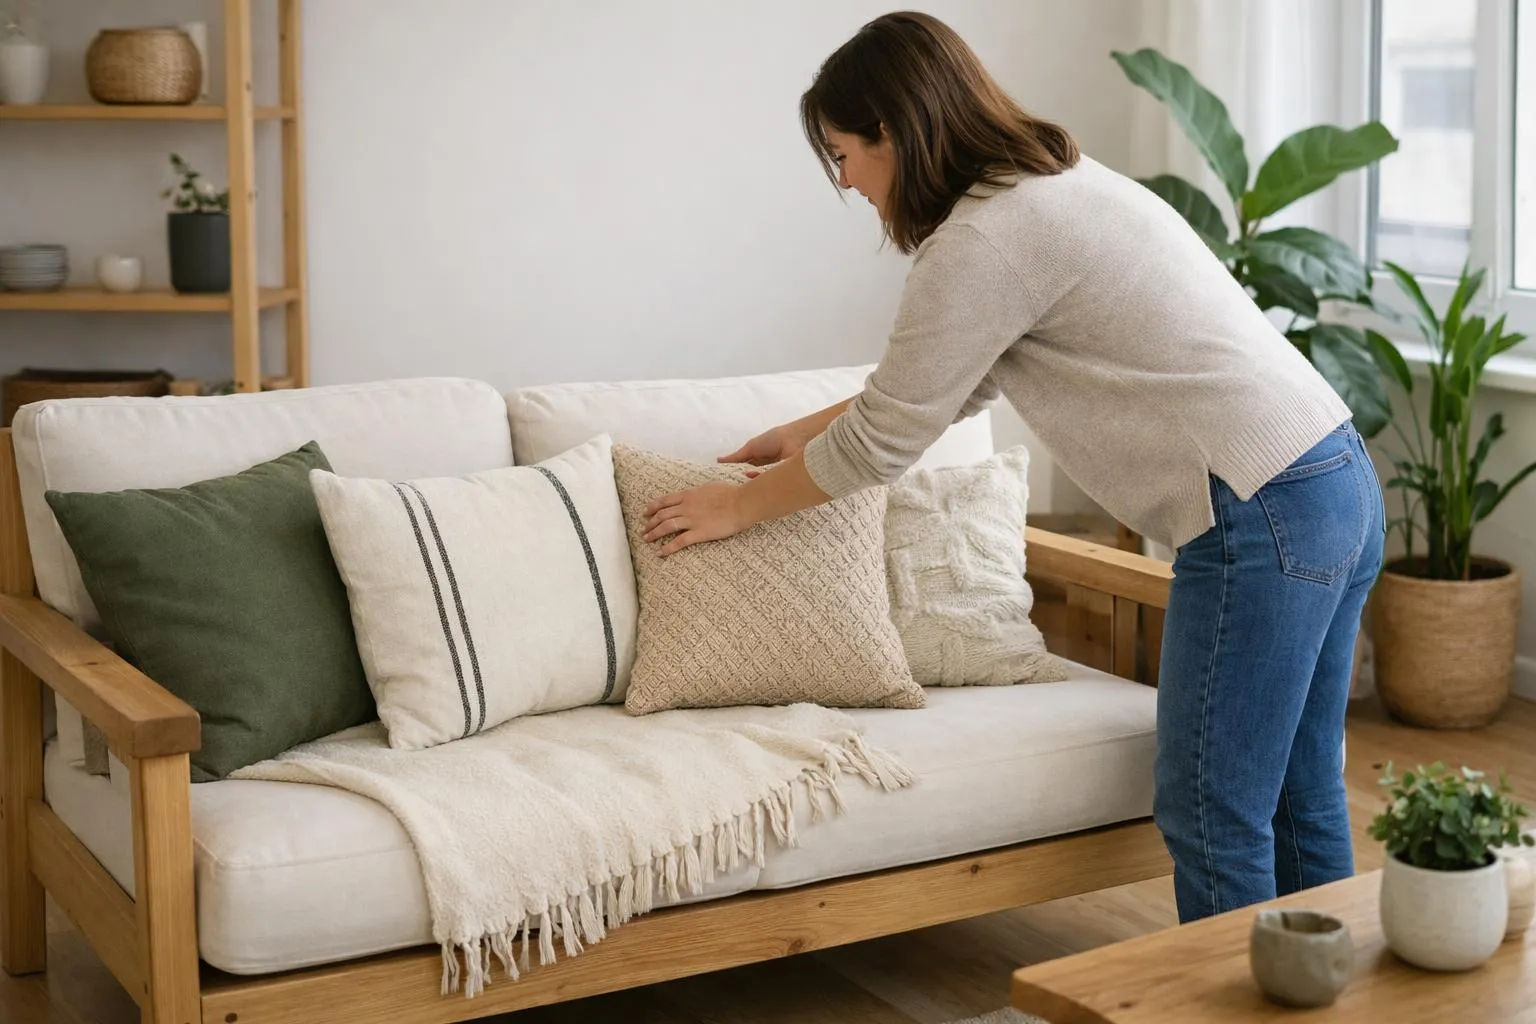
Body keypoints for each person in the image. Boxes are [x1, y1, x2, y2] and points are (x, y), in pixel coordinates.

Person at [638, 11, 1385, 923]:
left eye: (843, 154)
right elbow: (965, 380)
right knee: (1297, 791)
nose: (844, 183)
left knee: (1209, 805)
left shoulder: (984, 241)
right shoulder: (1052, 184)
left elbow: (885, 440)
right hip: (1332, 476)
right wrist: (805, 432)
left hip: (1258, 508)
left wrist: (735, 510)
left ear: (896, 133)